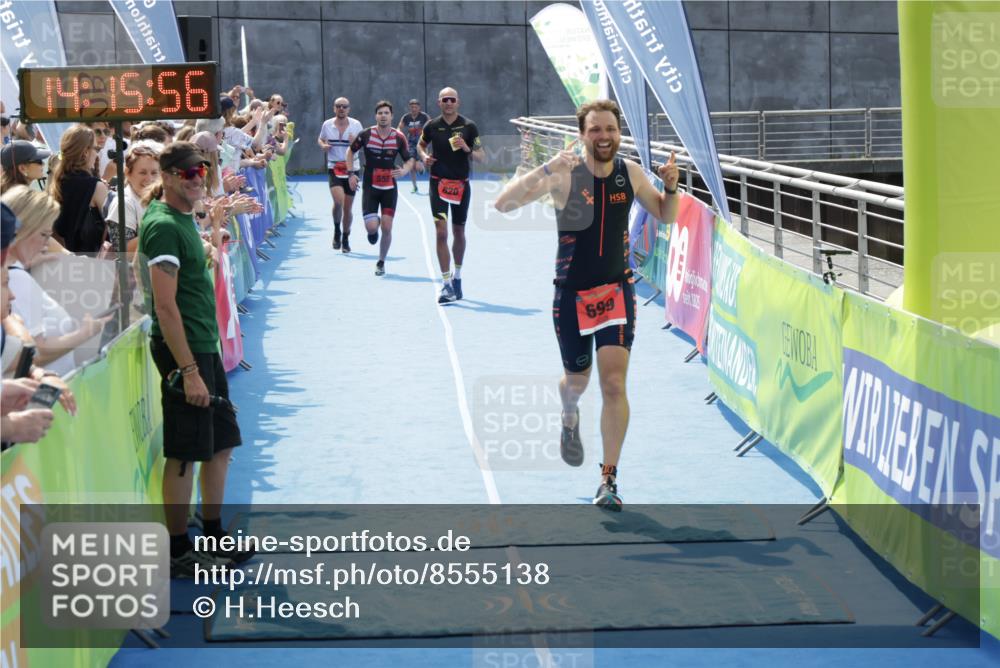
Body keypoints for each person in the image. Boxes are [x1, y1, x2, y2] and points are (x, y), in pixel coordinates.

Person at [494, 100, 680, 510]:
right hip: (571, 293)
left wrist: (670, 186)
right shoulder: (564, 173)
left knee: (613, 384)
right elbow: (503, 205)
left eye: (610, 129)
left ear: (619, 132)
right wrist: (544, 170)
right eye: (595, 129)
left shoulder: (629, 173)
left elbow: (666, 215)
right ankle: (568, 413)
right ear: (582, 134)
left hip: (616, 290)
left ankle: (608, 479)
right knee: (576, 382)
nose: (604, 137)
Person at [137, 142, 248, 576]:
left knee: (221, 445)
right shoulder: (163, 225)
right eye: (187, 172)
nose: (198, 177)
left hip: (204, 345)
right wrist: (188, 372)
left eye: (202, 169)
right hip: (186, 352)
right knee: (185, 452)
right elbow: (165, 307)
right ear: (166, 176)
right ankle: (179, 550)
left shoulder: (182, 220)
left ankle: (214, 535)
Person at [3, 186, 112, 377]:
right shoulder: (16, 280)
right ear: (21, 232)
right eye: (44, 235)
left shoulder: (15, 275)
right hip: (42, 393)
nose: (47, 244)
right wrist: (85, 333)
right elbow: (35, 352)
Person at [418, 87, 484, 303]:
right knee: (441, 232)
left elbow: (481, 157)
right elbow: (420, 144)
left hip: (461, 186)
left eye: (452, 99)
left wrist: (466, 148)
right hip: (438, 184)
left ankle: (457, 276)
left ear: (458, 102)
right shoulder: (432, 125)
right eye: (444, 99)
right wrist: (423, 156)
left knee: (459, 232)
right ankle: (446, 284)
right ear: (439, 102)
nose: (448, 103)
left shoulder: (469, 126)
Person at [345, 101, 414, 276]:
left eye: (386, 113)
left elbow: (409, 159)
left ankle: (381, 262)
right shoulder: (366, 134)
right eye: (380, 113)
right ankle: (373, 227)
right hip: (370, 185)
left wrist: (405, 170)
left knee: (388, 226)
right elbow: (350, 151)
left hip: (389, 187)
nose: (383, 116)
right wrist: (351, 174)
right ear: (376, 116)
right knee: (372, 228)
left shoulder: (398, 137)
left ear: (391, 116)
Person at [49, 126, 108, 253]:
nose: (97, 154)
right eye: (96, 148)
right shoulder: (96, 187)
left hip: (64, 259)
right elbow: (113, 229)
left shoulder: (56, 183)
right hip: (94, 262)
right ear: (86, 152)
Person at [318, 97, 363, 252]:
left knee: (348, 208)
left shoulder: (356, 125)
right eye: (338, 106)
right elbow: (320, 138)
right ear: (334, 108)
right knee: (339, 201)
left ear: (349, 109)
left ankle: (345, 237)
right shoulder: (327, 124)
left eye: (344, 106)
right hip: (334, 167)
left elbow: (363, 145)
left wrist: (355, 143)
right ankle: (337, 230)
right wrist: (323, 145)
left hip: (352, 168)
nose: (341, 109)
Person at [105, 142, 161, 252]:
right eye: (142, 173)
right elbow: (123, 250)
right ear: (128, 173)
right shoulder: (124, 203)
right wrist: (161, 230)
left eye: (154, 173)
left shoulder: (159, 198)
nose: (149, 179)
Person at [396, 99, 430, 194]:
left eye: (416, 107)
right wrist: (398, 133)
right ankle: (415, 187)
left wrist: (426, 133)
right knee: (411, 166)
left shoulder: (424, 116)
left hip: (422, 143)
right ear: (409, 108)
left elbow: (431, 125)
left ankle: (422, 168)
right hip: (410, 144)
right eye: (412, 107)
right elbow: (399, 127)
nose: (414, 109)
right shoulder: (406, 117)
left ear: (419, 107)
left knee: (418, 167)